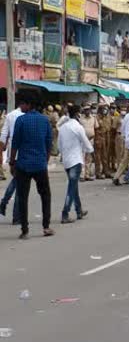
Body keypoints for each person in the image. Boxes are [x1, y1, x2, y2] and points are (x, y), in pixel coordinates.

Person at [9, 90, 54, 239]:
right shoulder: (45, 121)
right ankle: (46, 227)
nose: (20, 106)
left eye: (22, 103)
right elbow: (49, 144)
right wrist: (45, 160)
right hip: (40, 165)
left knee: (22, 197)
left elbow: (15, 143)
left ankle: (25, 230)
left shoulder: (21, 121)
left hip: (23, 165)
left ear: (28, 105)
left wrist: (12, 161)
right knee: (45, 196)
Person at [58, 105, 93, 224]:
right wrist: (90, 150)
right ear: (78, 114)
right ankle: (65, 213)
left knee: (74, 186)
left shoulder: (63, 127)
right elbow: (86, 143)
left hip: (67, 161)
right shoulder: (78, 127)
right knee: (72, 187)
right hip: (76, 160)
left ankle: (79, 210)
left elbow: (59, 146)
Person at [0, 104, 24, 223]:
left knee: (16, 181)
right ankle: (16, 216)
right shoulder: (26, 116)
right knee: (20, 185)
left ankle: (4, 202)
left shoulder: (10, 115)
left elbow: (4, 134)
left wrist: (2, 148)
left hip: (12, 153)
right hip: (23, 153)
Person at [79, 105, 97, 181]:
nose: (87, 111)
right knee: (82, 157)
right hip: (83, 140)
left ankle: (87, 174)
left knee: (89, 159)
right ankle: (82, 175)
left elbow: (96, 128)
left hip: (91, 140)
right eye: (86, 110)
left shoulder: (93, 119)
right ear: (84, 111)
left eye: (88, 110)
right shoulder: (80, 119)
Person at [94, 105, 111, 179]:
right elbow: (96, 129)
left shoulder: (107, 117)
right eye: (104, 109)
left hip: (106, 137)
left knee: (105, 156)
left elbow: (108, 128)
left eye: (106, 109)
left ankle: (106, 171)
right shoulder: (96, 118)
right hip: (99, 137)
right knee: (98, 157)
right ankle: (98, 172)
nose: (105, 111)